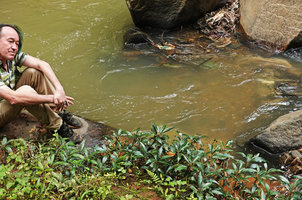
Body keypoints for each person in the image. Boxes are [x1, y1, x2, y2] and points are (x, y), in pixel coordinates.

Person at [0, 24, 82, 142]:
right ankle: (59, 126)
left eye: (17, 44)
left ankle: (58, 111)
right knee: (26, 91)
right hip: (5, 107)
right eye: (10, 41)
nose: (14, 47)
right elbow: (14, 98)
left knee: (34, 72)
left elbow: (42, 64)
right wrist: (52, 98)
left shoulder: (10, 58)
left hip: (7, 102)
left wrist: (60, 89)